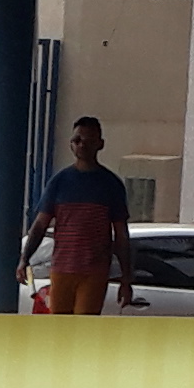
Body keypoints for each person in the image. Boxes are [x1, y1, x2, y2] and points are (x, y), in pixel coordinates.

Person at [23, 118, 134, 314]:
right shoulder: (58, 182)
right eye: (77, 140)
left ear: (100, 144)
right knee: (60, 331)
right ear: (71, 144)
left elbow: (121, 234)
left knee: (84, 331)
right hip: (61, 270)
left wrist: (126, 277)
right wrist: (25, 259)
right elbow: (40, 225)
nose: (82, 145)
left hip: (94, 272)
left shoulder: (111, 185)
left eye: (89, 140)